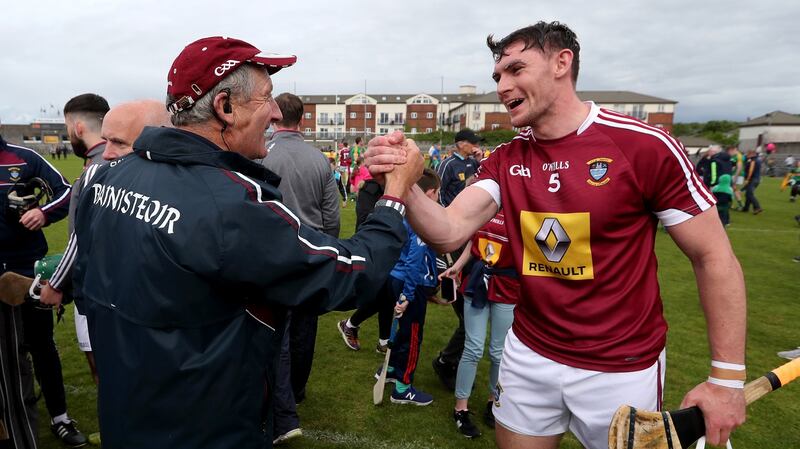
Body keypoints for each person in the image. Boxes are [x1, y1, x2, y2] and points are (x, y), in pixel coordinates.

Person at [366, 21, 746, 449]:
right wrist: (403, 183)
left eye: (515, 70)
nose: (502, 85)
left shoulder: (643, 145)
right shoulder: (507, 157)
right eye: (497, 76)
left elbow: (714, 257)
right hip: (530, 352)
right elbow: (450, 230)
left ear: (562, 63)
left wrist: (727, 379)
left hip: (620, 366)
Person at [68, 36, 422, 449]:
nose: (276, 113)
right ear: (226, 108)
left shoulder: (108, 178)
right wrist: (395, 196)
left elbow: (87, 284)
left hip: (127, 415)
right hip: (205, 428)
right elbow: (348, 273)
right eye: (267, 98)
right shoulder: (227, 203)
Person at [40, 99, 172, 392]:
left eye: (118, 142)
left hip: (115, 301)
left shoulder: (101, 171)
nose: (109, 152)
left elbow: (81, 238)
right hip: (122, 300)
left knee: (114, 377)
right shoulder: (120, 171)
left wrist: (59, 283)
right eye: (107, 141)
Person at [259, 92, 341, 444]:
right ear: (302, 121)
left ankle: (287, 397)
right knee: (301, 328)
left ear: (274, 117)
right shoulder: (317, 159)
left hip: (276, 253)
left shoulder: (263, 154)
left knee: (280, 329)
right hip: (307, 254)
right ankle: (293, 392)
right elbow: (331, 216)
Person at [377, 168, 440, 406]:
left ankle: (392, 369)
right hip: (408, 282)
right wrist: (408, 294)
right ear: (431, 193)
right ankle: (403, 388)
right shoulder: (420, 218)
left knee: (401, 330)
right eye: (437, 194)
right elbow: (415, 260)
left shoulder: (404, 209)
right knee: (413, 336)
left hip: (395, 277)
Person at [431, 129, 484, 391]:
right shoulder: (448, 164)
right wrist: (448, 226)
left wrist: (481, 159)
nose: (474, 147)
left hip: (475, 237)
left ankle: (453, 360)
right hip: (455, 236)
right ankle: (447, 361)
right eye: (472, 144)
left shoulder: (474, 163)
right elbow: (437, 196)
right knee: (466, 309)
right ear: (461, 143)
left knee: (473, 306)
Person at [741, 149, 763, 214]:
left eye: (748, 154)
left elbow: (751, 170)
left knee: (749, 194)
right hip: (756, 179)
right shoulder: (758, 160)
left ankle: (757, 207)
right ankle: (746, 208)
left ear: (751, 154)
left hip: (753, 179)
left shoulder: (753, 160)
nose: (747, 155)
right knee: (748, 194)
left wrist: (747, 179)